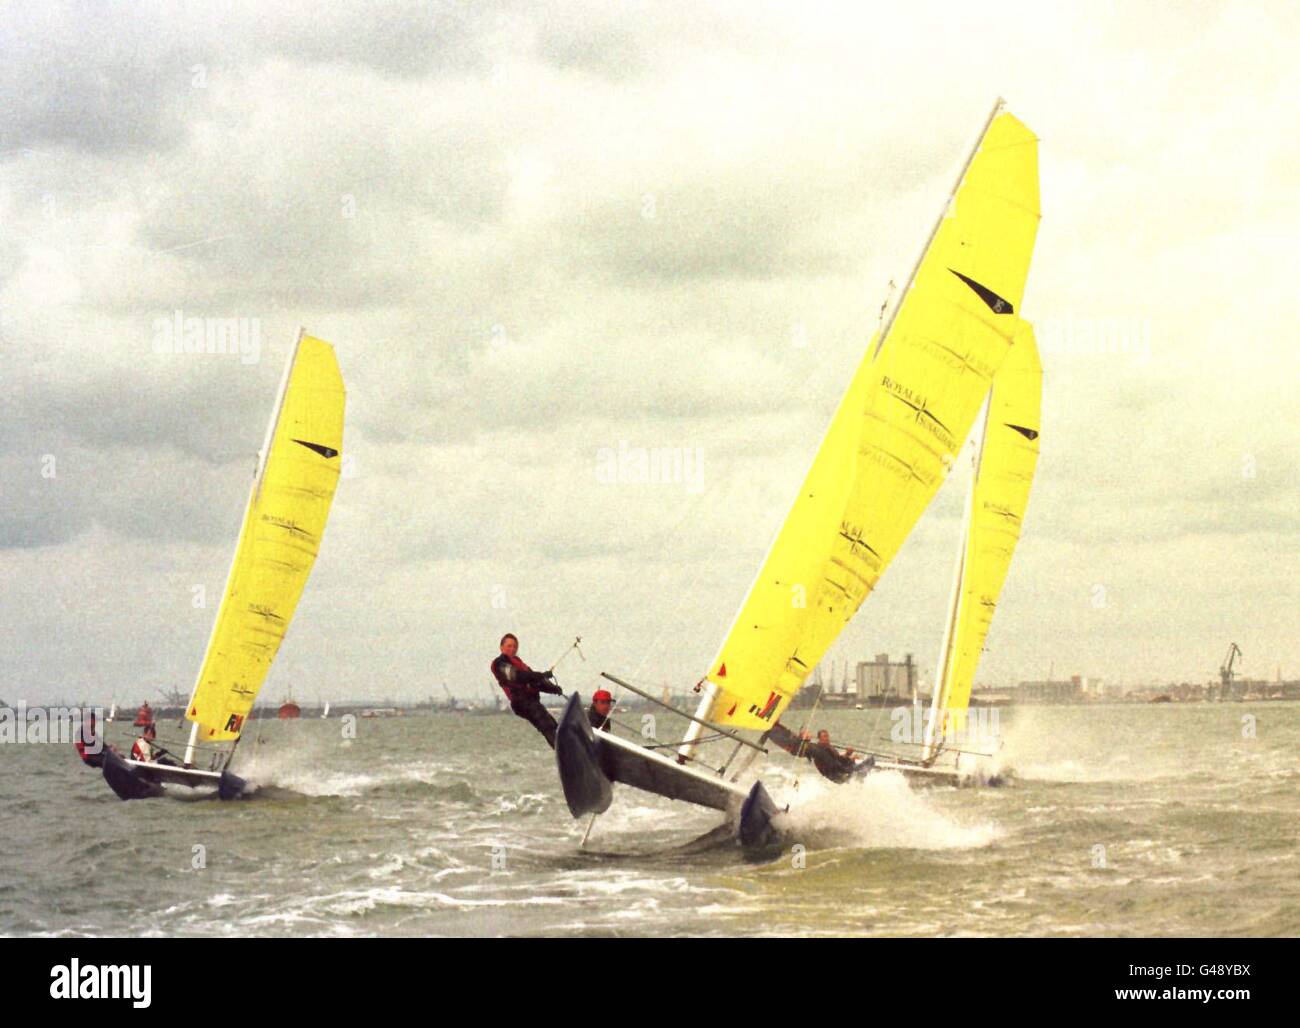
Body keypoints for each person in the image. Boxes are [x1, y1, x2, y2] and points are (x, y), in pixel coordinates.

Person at [490, 633, 563, 748]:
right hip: (520, 701)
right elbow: (518, 676)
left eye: (515, 646)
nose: (512, 649)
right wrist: (542, 675)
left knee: (552, 724)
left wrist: (553, 689)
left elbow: (535, 681)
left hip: (531, 700)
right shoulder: (499, 663)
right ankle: (563, 752)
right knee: (546, 724)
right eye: (509, 646)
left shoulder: (519, 662)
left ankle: (566, 749)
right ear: (501, 647)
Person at [765, 721, 866, 784]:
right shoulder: (772, 732)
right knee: (821, 752)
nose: (826, 739)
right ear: (819, 739)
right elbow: (788, 742)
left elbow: (838, 759)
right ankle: (854, 771)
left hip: (841, 771)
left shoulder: (829, 748)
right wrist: (802, 738)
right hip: (799, 749)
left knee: (825, 751)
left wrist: (848, 755)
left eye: (827, 737)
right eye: (824, 737)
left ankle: (857, 770)